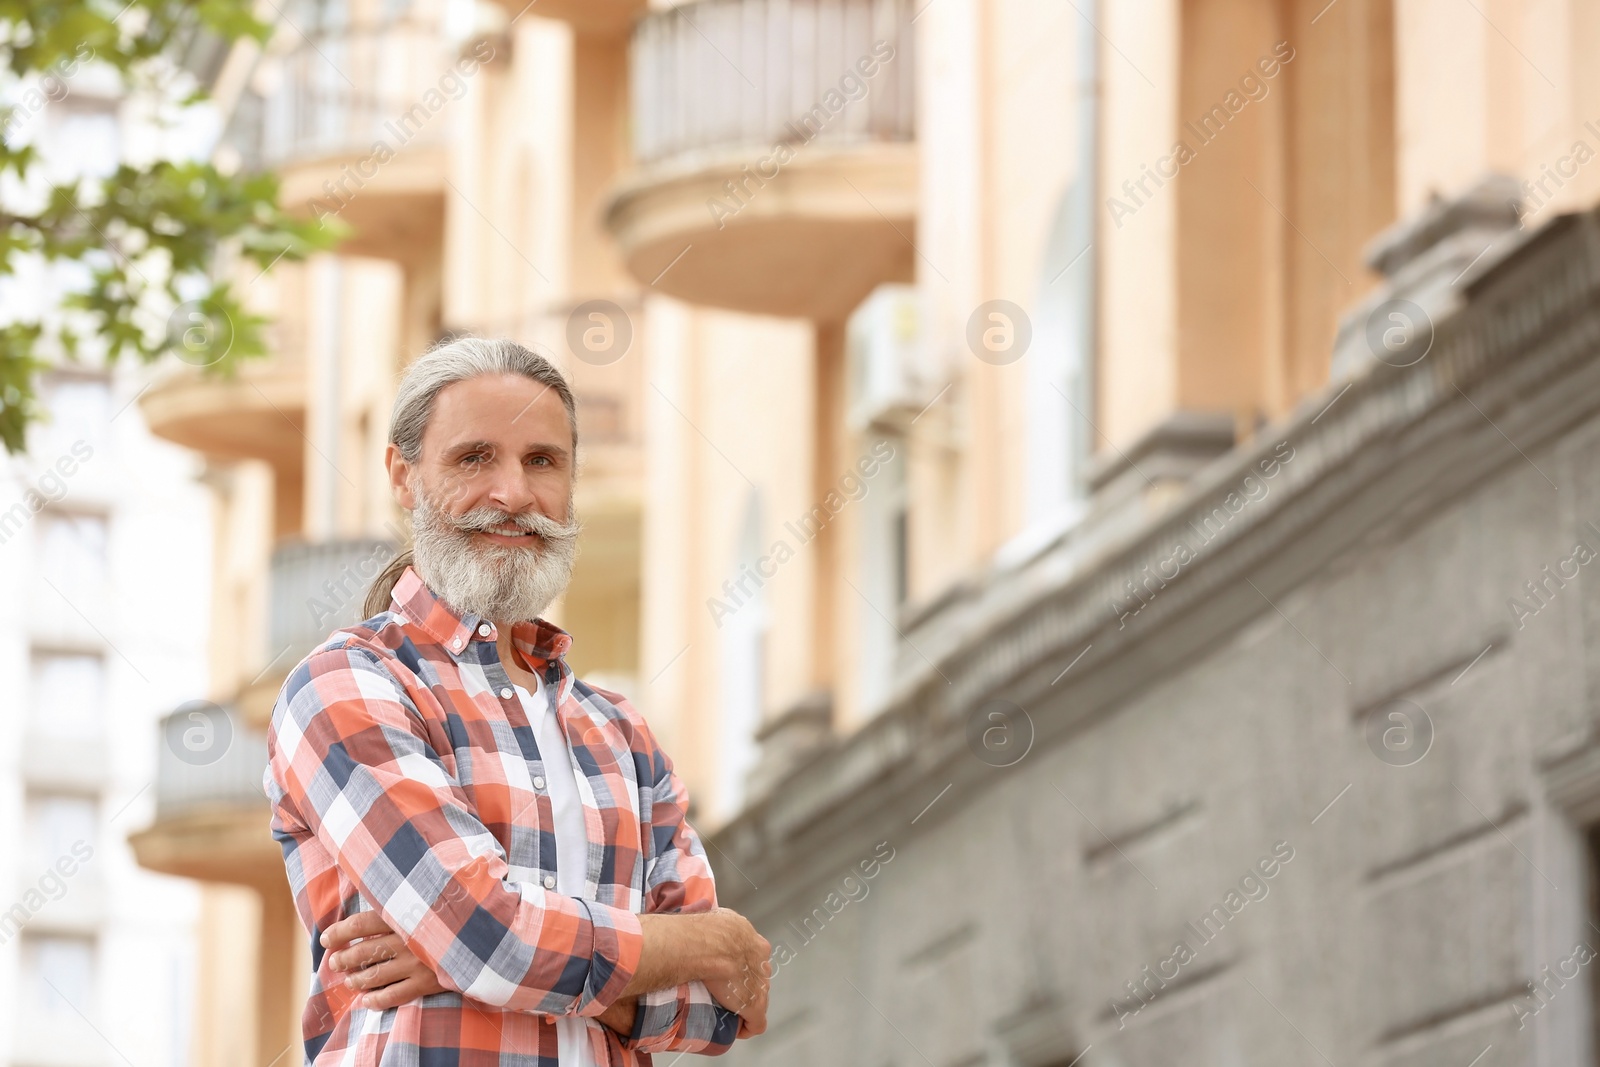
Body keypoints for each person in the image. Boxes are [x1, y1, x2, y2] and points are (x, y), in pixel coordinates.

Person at [264, 337, 771, 1065]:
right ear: (403, 476)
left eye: (542, 460)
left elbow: (724, 1008)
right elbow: (486, 935)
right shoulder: (348, 685)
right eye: (474, 458)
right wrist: (695, 941)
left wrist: (458, 961)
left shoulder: (621, 732)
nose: (514, 494)